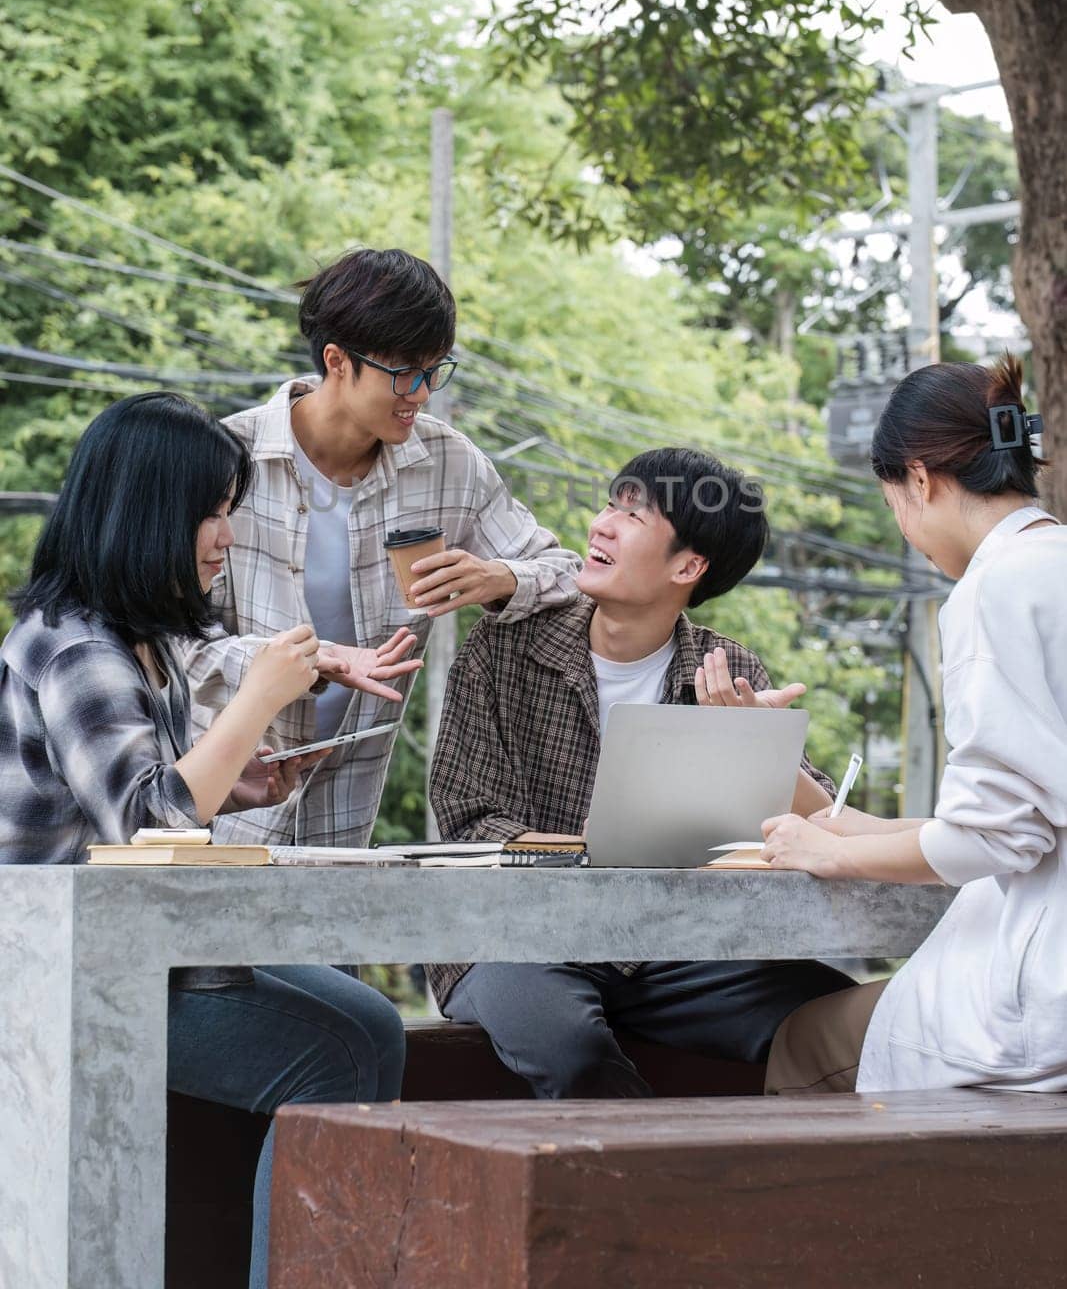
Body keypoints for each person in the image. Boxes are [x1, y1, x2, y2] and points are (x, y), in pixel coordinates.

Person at [0, 394, 407, 1289]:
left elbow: (155, 800)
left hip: (143, 948)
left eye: (229, 510)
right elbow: (146, 823)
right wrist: (259, 695)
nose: (225, 535)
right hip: (73, 974)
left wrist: (241, 776)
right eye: (211, 514)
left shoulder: (142, 641)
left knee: (374, 1019)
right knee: (335, 1058)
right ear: (148, 516)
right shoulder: (74, 649)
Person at [427, 446, 854, 1098]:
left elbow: (813, 822)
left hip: (671, 950)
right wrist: (584, 854)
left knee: (833, 1012)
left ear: (687, 565)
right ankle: (668, 1193)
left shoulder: (725, 669)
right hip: (514, 940)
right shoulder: (502, 651)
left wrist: (752, 736)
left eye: (631, 515)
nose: (600, 525)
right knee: (565, 1042)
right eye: (609, 504)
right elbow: (467, 823)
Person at [185, 247, 582, 847]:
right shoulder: (223, 460)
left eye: (435, 370)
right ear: (337, 361)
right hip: (214, 801)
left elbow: (568, 572)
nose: (422, 393)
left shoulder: (450, 465)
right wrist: (305, 662)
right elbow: (171, 642)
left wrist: (498, 578)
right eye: (404, 372)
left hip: (347, 808)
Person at [761, 354, 1067, 1095]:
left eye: (892, 502)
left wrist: (829, 856)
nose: (905, 530)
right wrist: (840, 828)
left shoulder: (994, 588)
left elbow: (996, 835)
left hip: (1042, 987)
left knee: (801, 1044)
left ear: (920, 479)